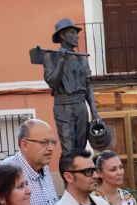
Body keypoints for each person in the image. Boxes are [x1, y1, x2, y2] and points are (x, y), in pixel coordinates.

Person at [43, 18, 100, 152]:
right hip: (63, 106)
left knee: (81, 147)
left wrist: (95, 112)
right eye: (73, 32)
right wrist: (62, 60)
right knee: (68, 149)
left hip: (80, 106)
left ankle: (80, 171)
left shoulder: (82, 59)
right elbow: (52, 82)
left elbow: (88, 87)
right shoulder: (50, 57)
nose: (77, 36)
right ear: (62, 35)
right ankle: (70, 172)